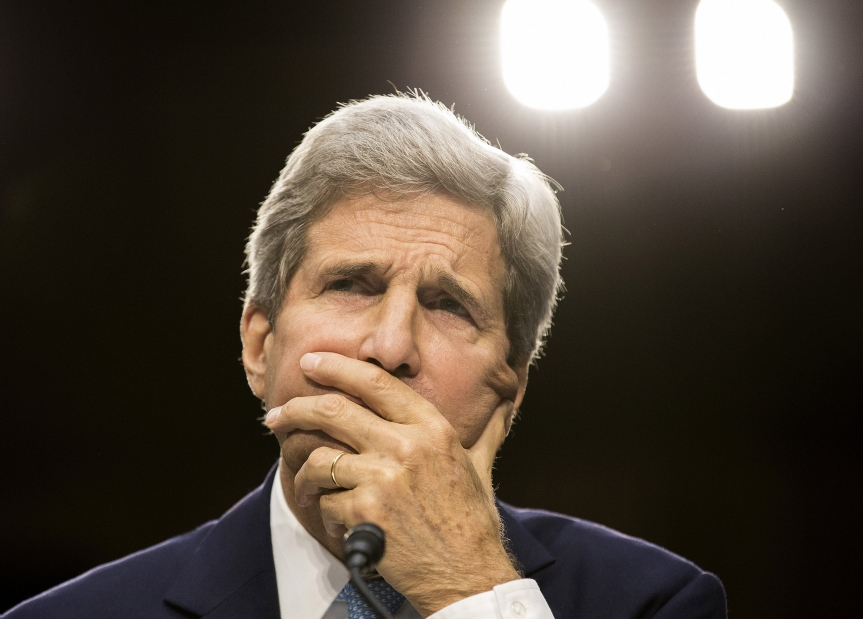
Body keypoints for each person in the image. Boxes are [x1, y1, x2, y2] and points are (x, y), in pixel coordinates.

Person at [4, 94, 726, 619]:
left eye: (448, 304)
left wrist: (470, 590)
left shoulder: (652, 602)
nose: (390, 347)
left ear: (508, 390)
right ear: (260, 346)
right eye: (351, 285)